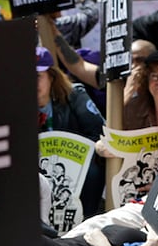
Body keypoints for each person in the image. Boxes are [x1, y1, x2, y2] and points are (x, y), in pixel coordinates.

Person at [36, 47, 106, 217]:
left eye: (37, 77)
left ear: (52, 77)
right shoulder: (14, 106)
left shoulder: (74, 95)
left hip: (76, 168)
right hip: (39, 170)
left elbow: (98, 132)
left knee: (94, 168)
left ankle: (88, 217)